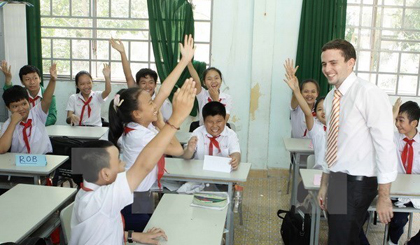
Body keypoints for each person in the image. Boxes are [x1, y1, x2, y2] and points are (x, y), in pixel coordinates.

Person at [69, 79, 197, 245]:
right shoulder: (102, 199)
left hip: (139, 201)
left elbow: (106, 230)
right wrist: (177, 118)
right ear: (105, 173)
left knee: (146, 221)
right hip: (138, 197)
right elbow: (143, 165)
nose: (124, 165)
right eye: (118, 162)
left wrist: (133, 236)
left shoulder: (91, 194)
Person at [108, 35, 195, 231]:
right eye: (150, 103)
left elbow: (164, 90)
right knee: (141, 232)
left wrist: (184, 61)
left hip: (140, 192)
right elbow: (176, 150)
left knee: (145, 228)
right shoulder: (140, 135)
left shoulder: (139, 123)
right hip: (130, 198)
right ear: (137, 113)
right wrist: (163, 121)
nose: (154, 104)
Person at [317, 39, 398, 245]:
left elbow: (385, 145)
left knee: (340, 239)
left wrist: (384, 196)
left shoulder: (368, 93)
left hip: (358, 182)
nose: (327, 69)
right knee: (341, 236)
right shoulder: (330, 98)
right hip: (337, 178)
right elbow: (332, 144)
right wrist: (325, 184)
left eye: (333, 63)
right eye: (324, 64)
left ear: (351, 62)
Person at [110, 38, 172, 122]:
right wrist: (122, 53)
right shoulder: (135, 95)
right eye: (143, 83)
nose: (147, 86)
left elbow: (169, 123)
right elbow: (128, 76)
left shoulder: (162, 101)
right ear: (137, 84)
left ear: (155, 84)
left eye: (151, 82)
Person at [0, 64, 57, 154]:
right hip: (20, 162)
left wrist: (53, 80)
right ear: (8, 107)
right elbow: (1, 149)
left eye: (24, 104)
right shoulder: (8, 124)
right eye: (15, 106)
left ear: (29, 102)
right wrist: (13, 123)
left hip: (43, 159)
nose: (21, 109)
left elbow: (47, 99)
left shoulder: (37, 113)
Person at [388, 99, 420, 245]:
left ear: (414, 123)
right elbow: (380, 132)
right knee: (399, 219)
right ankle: (392, 242)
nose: (397, 124)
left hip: (416, 191)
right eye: (396, 119)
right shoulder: (393, 138)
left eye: (401, 120)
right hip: (396, 191)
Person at [182, 101, 241, 170]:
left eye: (219, 121)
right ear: (203, 121)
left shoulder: (231, 134)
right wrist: (189, 150)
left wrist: (235, 159)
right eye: (210, 122)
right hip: (199, 174)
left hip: (223, 175)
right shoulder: (197, 133)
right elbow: (186, 156)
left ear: (225, 120)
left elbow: (236, 152)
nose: (214, 126)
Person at [1, 61, 57, 126]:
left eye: (35, 78)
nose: (32, 82)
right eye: (27, 79)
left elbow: (52, 118)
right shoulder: (21, 94)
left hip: (42, 128)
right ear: (22, 82)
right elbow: (10, 96)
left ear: (40, 79)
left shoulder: (49, 96)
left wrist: (33, 123)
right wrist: (8, 79)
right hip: (21, 128)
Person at [284, 59, 320, 139]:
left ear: (317, 94)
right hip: (298, 148)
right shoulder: (296, 105)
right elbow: (294, 101)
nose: (309, 94)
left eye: (313, 92)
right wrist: (295, 89)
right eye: (306, 91)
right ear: (301, 92)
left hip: (315, 147)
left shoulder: (320, 106)